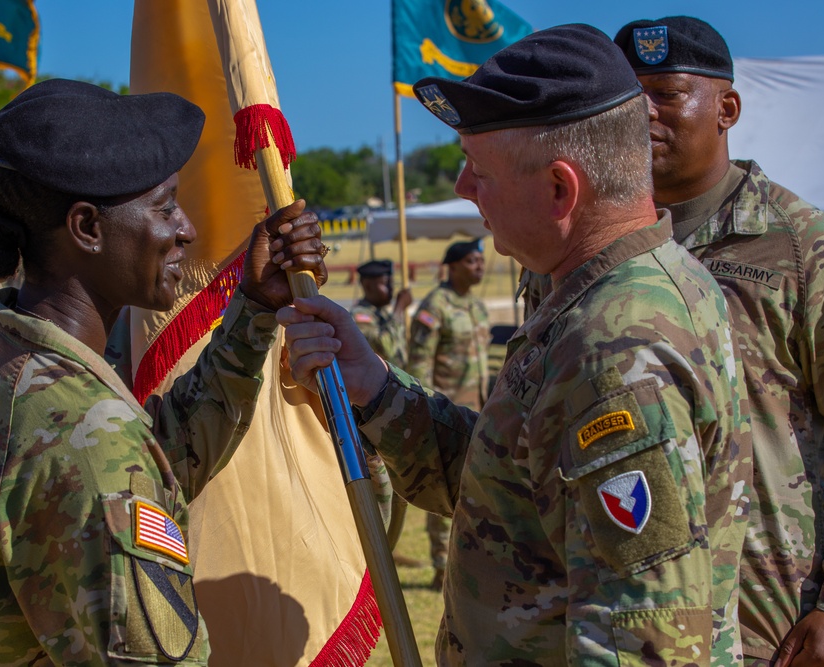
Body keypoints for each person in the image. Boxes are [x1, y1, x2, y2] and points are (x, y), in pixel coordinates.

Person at [277, 24, 750, 665]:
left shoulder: (614, 348)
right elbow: (516, 496)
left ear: (560, 189)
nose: (463, 189)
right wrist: (376, 389)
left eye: (480, 171)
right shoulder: (622, 290)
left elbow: (644, 643)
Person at [0, 79, 327, 666]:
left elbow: (160, 457)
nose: (186, 229)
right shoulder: (88, 434)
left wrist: (253, 311)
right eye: (165, 206)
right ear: (87, 228)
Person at [612, 17, 824, 667]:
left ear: (728, 108)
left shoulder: (802, 248)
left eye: (665, 92)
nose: (642, 111)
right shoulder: (582, 247)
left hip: (762, 622)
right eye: (627, 93)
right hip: (614, 621)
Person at [406, 239, 489, 589]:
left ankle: (472, 561)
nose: (479, 267)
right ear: (452, 266)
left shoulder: (477, 306)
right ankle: (442, 566)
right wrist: (425, 409)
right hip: (446, 413)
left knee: (479, 490)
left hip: (479, 411)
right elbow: (419, 361)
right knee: (445, 489)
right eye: (472, 261)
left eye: (481, 261)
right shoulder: (435, 306)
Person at [348, 259, 417, 563]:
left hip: (396, 411)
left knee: (403, 493)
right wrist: (400, 310)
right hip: (370, 418)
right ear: (365, 284)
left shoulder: (381, 315)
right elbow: (385, 343)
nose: (387, 287)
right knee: (382, 492)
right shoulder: (360, 317)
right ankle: (375, 560)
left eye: (389, 281)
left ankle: (388, 552)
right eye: (380, 282)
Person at [350, 259, 412, 368]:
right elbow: (386, 347)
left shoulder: (382, 312)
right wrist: (399, 309)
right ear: (368, 286)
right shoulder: (360, 316)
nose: (391, 289)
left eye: (392, 284)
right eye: (385, 284)